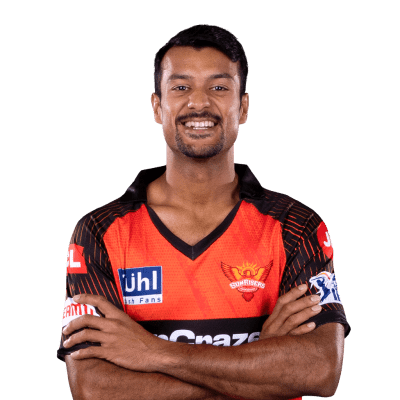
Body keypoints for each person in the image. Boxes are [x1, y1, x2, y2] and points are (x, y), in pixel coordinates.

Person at [58, 24, 351, 400]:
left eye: (219, 87)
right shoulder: (98, 232)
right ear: (157, 106)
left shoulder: (297, 226)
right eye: (181, 87)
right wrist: (259, 367)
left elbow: (320, 370)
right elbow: (94, 388)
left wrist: (153, 352)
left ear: (242, 107)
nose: (199, 103)